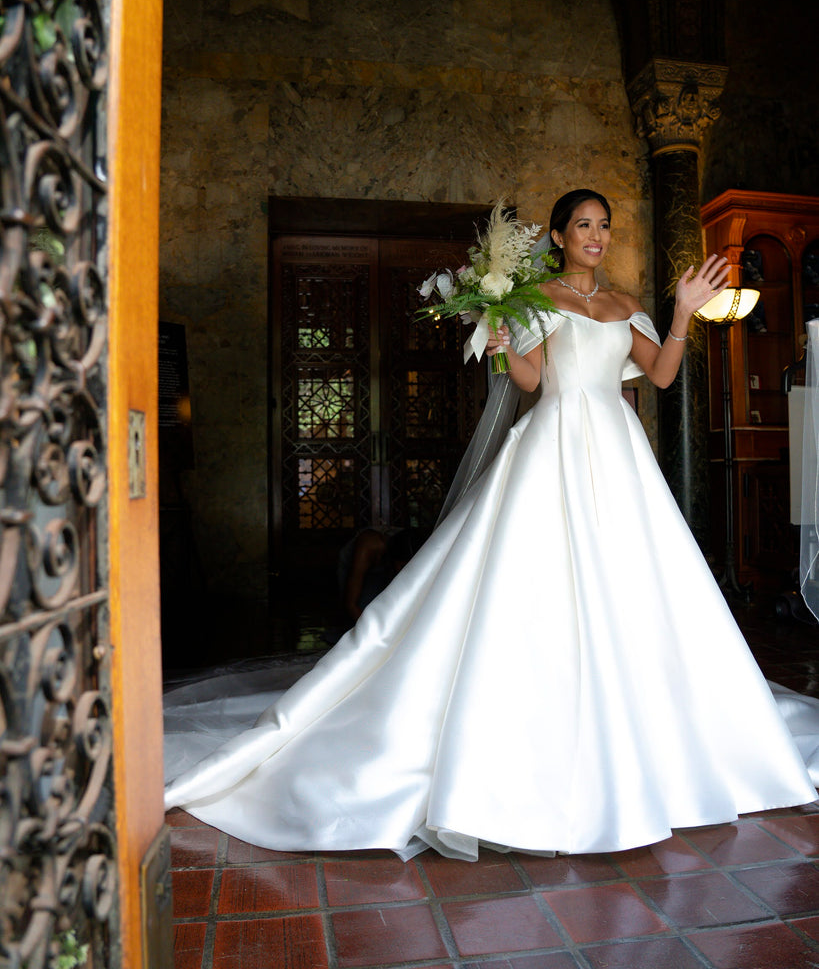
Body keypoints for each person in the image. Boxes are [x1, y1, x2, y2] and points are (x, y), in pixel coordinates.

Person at [164, 189, 818, 862]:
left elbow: (658, 375)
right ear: (559, 237)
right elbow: (532, 382)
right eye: (583, 226)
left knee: (638, 584)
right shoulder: (538, 301)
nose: (596, 236)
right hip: (552, 444)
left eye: (604, 226)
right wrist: (502, 341)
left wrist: (682, 312)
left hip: (618, 457)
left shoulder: (626, 306)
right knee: (533, 584)